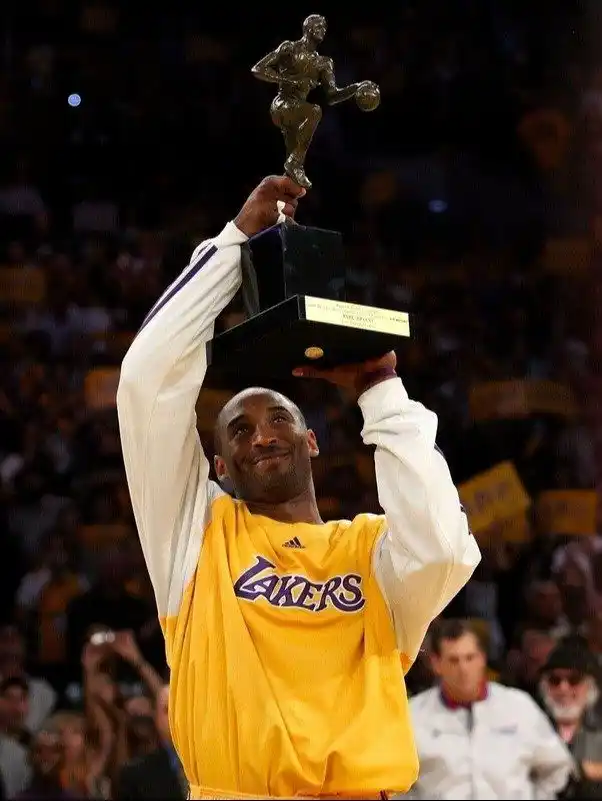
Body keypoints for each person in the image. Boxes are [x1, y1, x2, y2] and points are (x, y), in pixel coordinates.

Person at [117, 175, 481, 800]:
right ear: (219, 466)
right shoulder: (195, 537)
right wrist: (234, 246)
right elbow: (147, 381)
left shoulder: (371, 552)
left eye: (279, 418)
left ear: (311, 441)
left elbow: (445, 551)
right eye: (239, 430)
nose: (261, 436)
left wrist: (381, 394)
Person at [405, 619, 573, 799]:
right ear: (436, 663)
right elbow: (395, 784)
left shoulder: (518, 706)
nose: (463, 668)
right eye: (454, 660)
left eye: (470, 658)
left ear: (482, 659)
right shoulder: (413, 715)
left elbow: (558, 767)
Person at [252, 15, 362, 188]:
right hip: (282, 104)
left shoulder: (324, 63)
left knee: (291, 179)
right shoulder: (290, 48)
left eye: (324, 28)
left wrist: (355, 88)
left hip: (299, 113)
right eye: (319, 27)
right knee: (315, 111)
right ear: (308, 28)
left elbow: (333, 96)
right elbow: (258, 69)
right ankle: (295, 162)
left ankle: (284, 210)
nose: (323, 30)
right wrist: (290, 81)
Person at [114, 686, 186, 800]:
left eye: (181, 708)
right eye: (167, 710)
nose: (175, 716)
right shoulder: (136, 776)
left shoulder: (218, 764)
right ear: (156, 718)